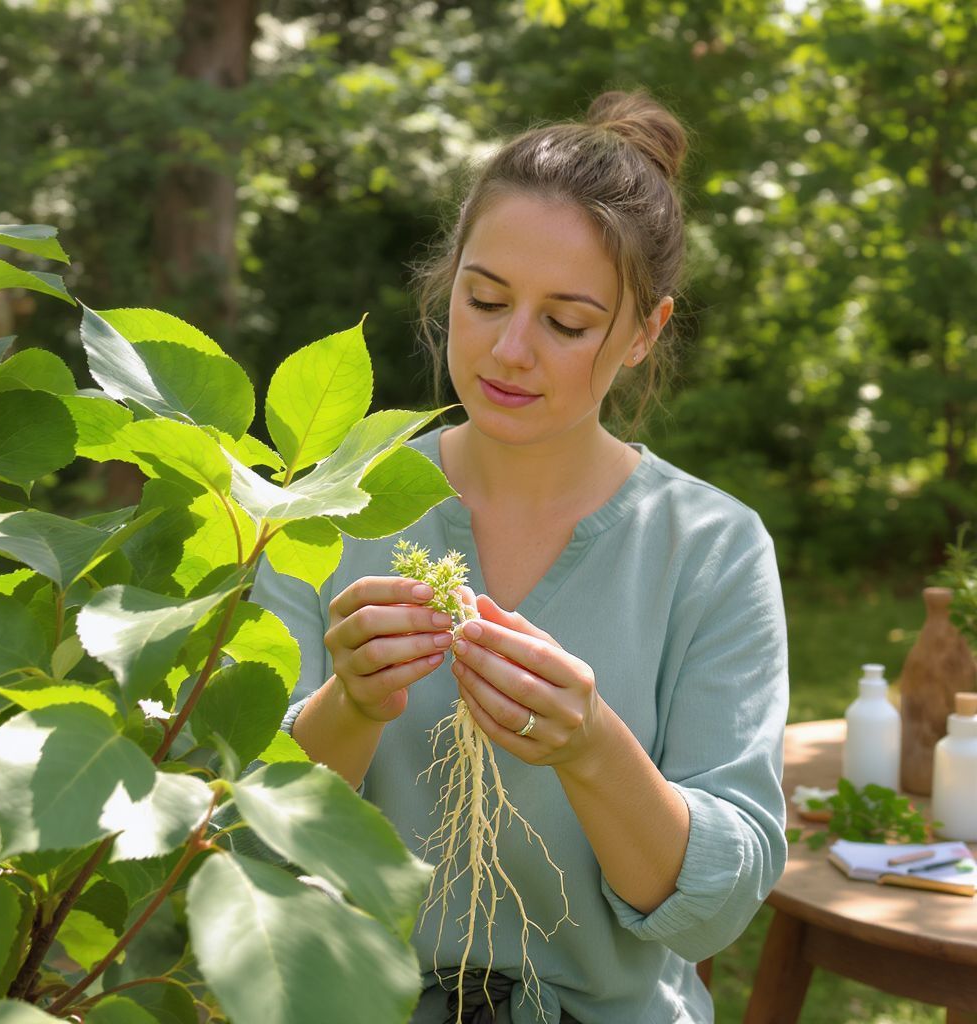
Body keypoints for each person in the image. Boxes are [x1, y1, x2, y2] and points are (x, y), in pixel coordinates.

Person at [252, 89, 789, 1024]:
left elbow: (718, 906)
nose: (509, 349)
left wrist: (592, 748)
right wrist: (352, 705)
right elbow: (241, 825)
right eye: (486, 298)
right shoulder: (327, 512)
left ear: (643, 334)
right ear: (448, 281)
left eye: (567, 322)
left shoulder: (710, 549)